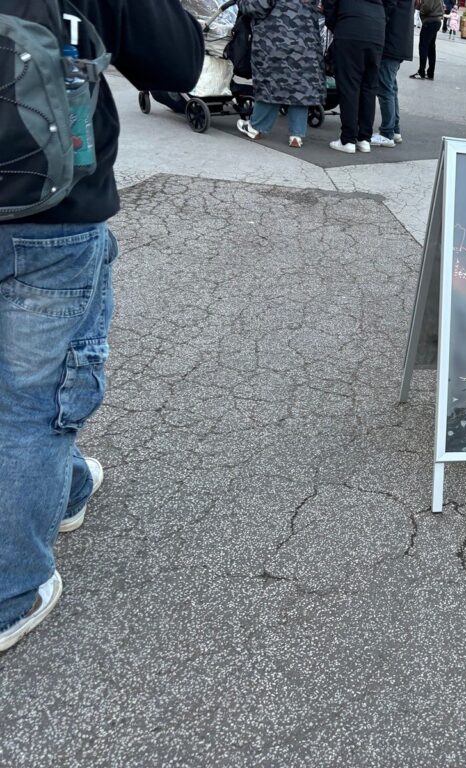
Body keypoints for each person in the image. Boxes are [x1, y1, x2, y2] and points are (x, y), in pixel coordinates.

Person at [0, 0, 202, 654]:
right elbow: (178, 61)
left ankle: (68, 487)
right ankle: (13, 590)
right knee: (36, 403)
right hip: (52, 216)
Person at [236, 0, 325, 149]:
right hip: (306, 43)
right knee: (299, 86)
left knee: (271, 83)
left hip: (275, 39)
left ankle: (256, 127)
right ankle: (296, 135)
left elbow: (258, 7)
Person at [326, 0, 386, 153]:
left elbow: (330, 4)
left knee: (349, 86)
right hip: (376, 29)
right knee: (369, 87)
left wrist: (336, 25)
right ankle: (364, 138)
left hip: (350, 27)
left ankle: (348, 138)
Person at [372, 0, 415, 148]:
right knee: (391, 87)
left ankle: (387, 133)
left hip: (391, 42)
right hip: (400, 42)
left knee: (385, 89)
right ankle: (394, 129)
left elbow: (387, 8)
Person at [411, 0, 444, 80]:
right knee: (431, 48)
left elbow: (427, 7)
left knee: (423, 46)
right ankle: (430, 73)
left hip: (430, 20)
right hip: (436, 20)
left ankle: (421, 72)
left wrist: (421, 11)